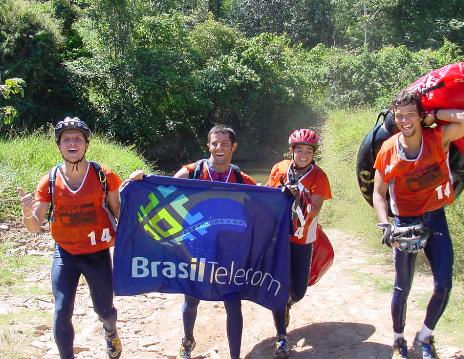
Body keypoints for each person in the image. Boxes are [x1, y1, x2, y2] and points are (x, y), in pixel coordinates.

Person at [128, 124, 256, 359]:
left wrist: (285, 196)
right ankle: (187, 341)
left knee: (233, 303)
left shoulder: (240, 178)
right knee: (191, 298)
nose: (219, 147)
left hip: (229, 250)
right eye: (214, 143)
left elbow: (263, 203)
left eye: (224, 143)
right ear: (208, 145)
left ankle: (236, 355)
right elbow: (164, 193)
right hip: (196, 247)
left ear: (233, 147)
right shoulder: (191, 172)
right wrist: (141, 180)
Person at [372, 91, 464, 359]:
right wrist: (385, 225)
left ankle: (425, 336)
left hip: (435, 216)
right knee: (402, 287)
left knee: (444, 284)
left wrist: (436, 115)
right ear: (395, 119)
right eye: (400, 116)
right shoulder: (388, 150)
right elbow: (378, 193)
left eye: (410, 114)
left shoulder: (437, 138)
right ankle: (398, 340)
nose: (405, 120)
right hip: (405, 223)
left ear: (420, 116)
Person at [17, 117, 123, 359]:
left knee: (105, 310)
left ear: (86, 144)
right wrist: (26, 211)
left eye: (77, 138)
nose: (72, 143)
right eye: (66, 139)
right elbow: (34, 227)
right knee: (62, 310)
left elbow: (119, 212)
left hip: (97, 253)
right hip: (65, 253)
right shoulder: (50, 181)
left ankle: (110, 332)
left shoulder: (104, 176)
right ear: (59, 146)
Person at [266, 128, 332, 359]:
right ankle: (281, 336)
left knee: (299, 291)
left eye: (309, 150)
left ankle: (287, 303)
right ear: (292, 150)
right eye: (299, 149)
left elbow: (314, 209)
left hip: (304, 237)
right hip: (279, 238)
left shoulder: (319, 177)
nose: (304, 154)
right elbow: (266, 196)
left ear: (314, 153)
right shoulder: (280, 169)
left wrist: (298, 196)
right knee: (280, 289)